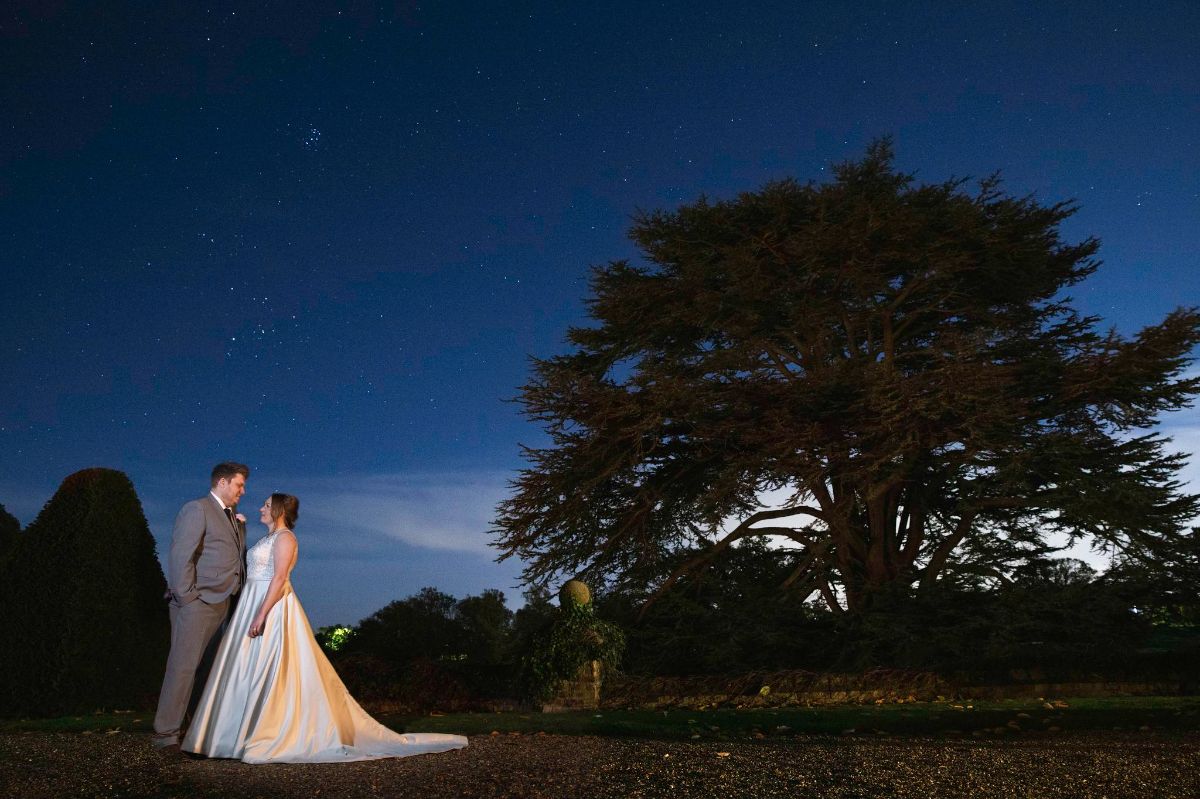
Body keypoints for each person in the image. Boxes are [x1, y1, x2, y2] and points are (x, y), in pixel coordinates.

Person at [182, 493, 468, 762]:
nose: (261, 508)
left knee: (270, 669)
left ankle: (267, 733)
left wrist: (261, 615)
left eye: (267, 505)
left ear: (279, 510)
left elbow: (279, 578)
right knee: (244, 668)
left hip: (271, 606)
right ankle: (233, 736)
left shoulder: (285, 538)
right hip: (252, 601)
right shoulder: (268, 538)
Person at [153, 462, 250, 750]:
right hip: (198, 603)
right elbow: (182, 554)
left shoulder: (232, 517)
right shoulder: (197, 509)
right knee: (182, 668)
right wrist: (187, 597)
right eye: (239, 485)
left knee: (207, 670)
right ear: (222, 482)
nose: (242, 491)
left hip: (223, 603)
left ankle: (194, 728)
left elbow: (232, 557)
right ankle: (166, 734)